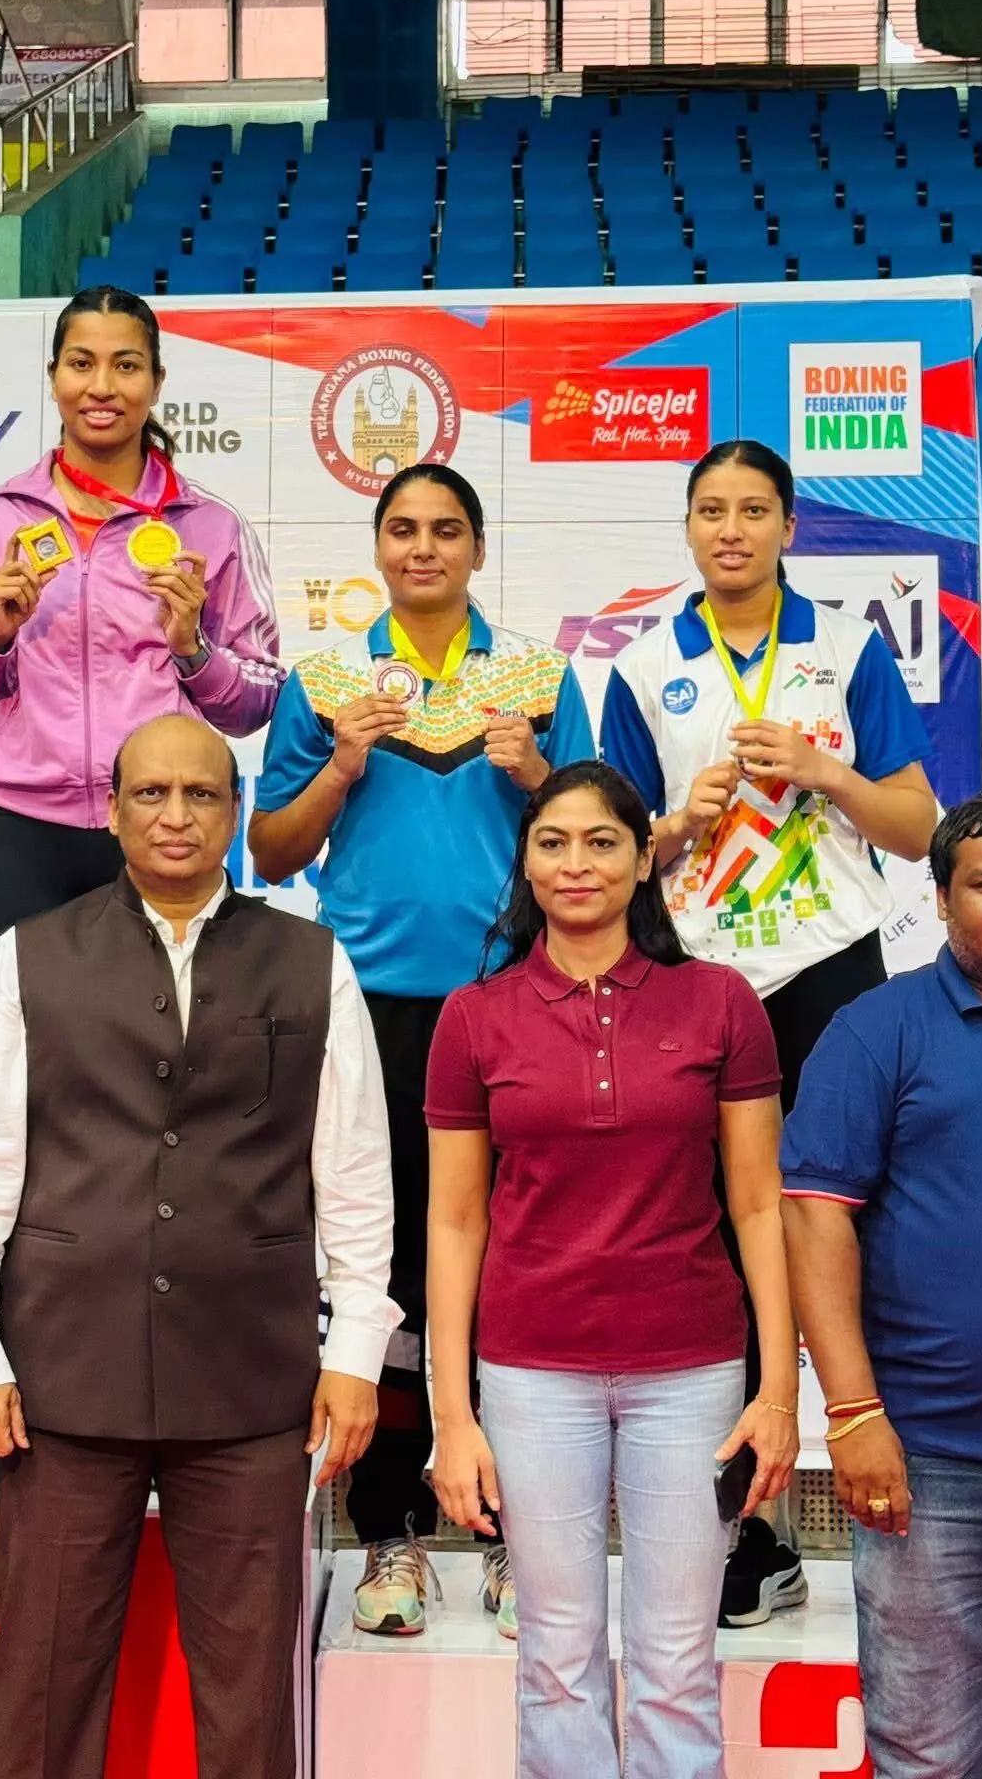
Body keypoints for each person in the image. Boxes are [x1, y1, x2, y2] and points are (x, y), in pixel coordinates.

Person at [0, 713, 400, 1779]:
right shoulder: (30, 956)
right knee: (42, 1688)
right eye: (152, 793)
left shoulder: (312, 962)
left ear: (236, 810)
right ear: (112, 809)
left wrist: (357, 1348)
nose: (177, 815)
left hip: (252, 1379)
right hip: (62, 1377)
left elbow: (355, 1173)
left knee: (251, 1698)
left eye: (202, 794)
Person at [248, 463, 594, 1639]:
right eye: (403, 528)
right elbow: (272, 850)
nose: (424, 547)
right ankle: (389, 1528)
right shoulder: (328, 681)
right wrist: (342, 762)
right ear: (378, 548)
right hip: (370, 1008)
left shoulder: (537, 676)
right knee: (385, 1268)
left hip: (515, 998)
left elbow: (597, 829)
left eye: (447, 528)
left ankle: (514, 1535)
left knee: (517, 1262)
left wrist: (535, 772)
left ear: (478, 548)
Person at [600, 436, 937, 1623]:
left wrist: (823, 771)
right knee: (724, 1247)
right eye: (711, 510)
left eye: (754, 509)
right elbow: (613, 854)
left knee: (861, 1228)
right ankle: (757, 1529)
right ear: (689, 527)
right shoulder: (645, 667)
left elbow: (917, 825)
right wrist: (676, 826)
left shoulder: (845, 648)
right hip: (702, 981)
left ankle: (909, 1500)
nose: (732, 529)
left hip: (831, 969)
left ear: (791, 525)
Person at [428, 761, 797, 1779]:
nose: (576, 862)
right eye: (552, 842)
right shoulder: (474, 1017)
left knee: (677, 1659)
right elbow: (453, 1222)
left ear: (645, 859)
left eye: (602, 841)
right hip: (530, 1374)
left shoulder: (720, 1002)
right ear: (525, 863)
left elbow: (759, 1204)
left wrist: (778, 1388)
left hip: (693, 1371)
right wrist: (453, 1414)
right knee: (555, 1656)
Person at [781, 791, 982, 1779]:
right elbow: (814, 1216)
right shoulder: (878, 1029)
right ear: (943, 900)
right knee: (926, 1759)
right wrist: (852, 1413)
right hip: (930, 1470)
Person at [0, 285, 283, 958]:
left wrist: (193, 650)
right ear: (53, 375)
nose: (102, 387)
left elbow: (257, 701)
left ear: (157, 381)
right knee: (29, 1023)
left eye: (127, 365)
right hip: (26, 834)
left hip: (163, 822)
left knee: (172, 1024)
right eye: (81, 363)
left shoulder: (210, 524)